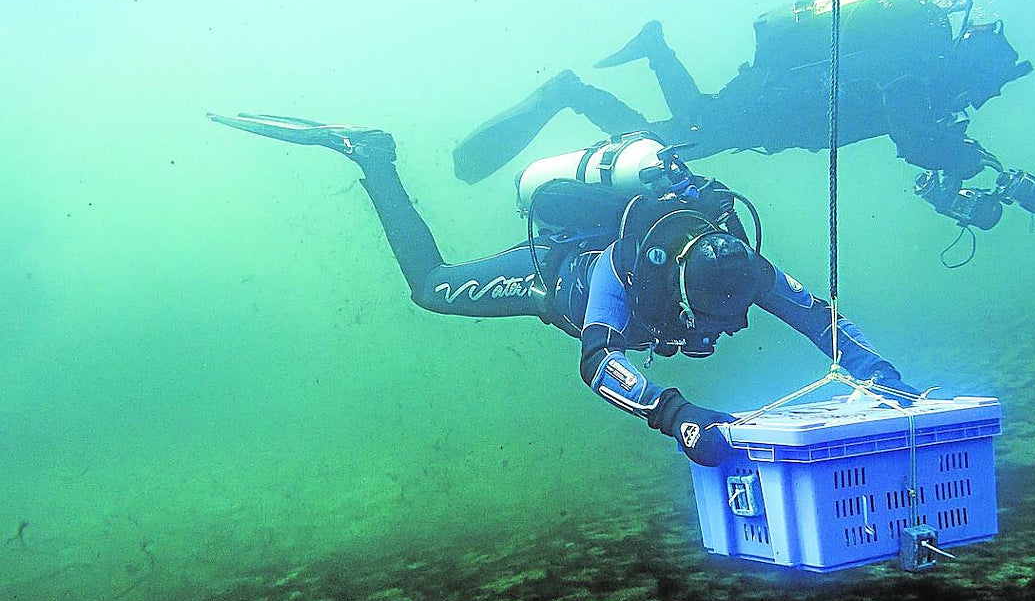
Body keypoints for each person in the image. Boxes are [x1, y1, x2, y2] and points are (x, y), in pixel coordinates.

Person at [208, 114, 922, 467]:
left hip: (620, 237)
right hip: (554, 274)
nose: (727, 325)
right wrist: (672, 413)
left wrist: (878, 377)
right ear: (671, 280)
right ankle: (372, 155)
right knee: (430, 288)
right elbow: (599, 362)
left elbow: (814, 314)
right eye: (712, 315)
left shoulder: (733, 261)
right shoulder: (619, 273)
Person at [452, 0, 1035, 235]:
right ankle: (572, 92)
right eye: (991, 84)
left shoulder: (918, 65)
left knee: (695, 124)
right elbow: (911, 135)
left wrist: (960, 155)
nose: (987, 95)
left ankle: (653, 48)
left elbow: (912, 127)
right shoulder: (917, 68)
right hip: (776, 103)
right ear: (976, 63)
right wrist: (965, 163)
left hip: (776, 102)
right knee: (670, 143)